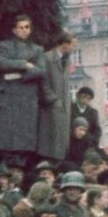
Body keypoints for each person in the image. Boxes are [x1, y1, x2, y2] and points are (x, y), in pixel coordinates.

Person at [0, 15, 46, 161]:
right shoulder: (3, 46)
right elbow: (1, 64)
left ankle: (20, 165)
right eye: (21, 27)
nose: (24, 30)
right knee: (5, 136)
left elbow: (41, 71)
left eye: (27, 27)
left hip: (27, 96)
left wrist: (19, 75)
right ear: (14, 30)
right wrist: (24, 64)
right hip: (8, 95)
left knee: (24, 137)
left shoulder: (37, 49)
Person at [36, 30, 77, 163]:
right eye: (73, 45)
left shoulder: (66, 60)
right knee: (50, 142)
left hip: (63, 107)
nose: (74, 49)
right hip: (50, 107)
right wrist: (52, 99)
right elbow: (42, 81)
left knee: (60, 142)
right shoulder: (47, 58)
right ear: (64, 44)